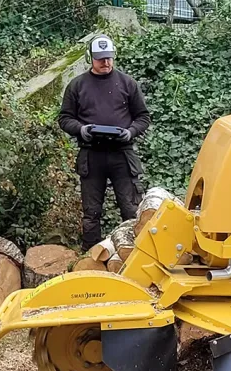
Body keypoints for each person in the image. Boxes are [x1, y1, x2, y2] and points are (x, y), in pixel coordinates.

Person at [58, 34, 151, 249]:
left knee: (131, 209)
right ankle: (90, 257)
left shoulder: (128, 83)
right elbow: (65, 118)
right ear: (90, 58)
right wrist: (81, 129)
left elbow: (143, 117)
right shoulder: (77, 85)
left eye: (109, 58)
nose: (105, 62)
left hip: (122, 153)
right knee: (91, 213)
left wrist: (130, 132)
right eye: (100, 58)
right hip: (92, 155)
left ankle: (136, 253)